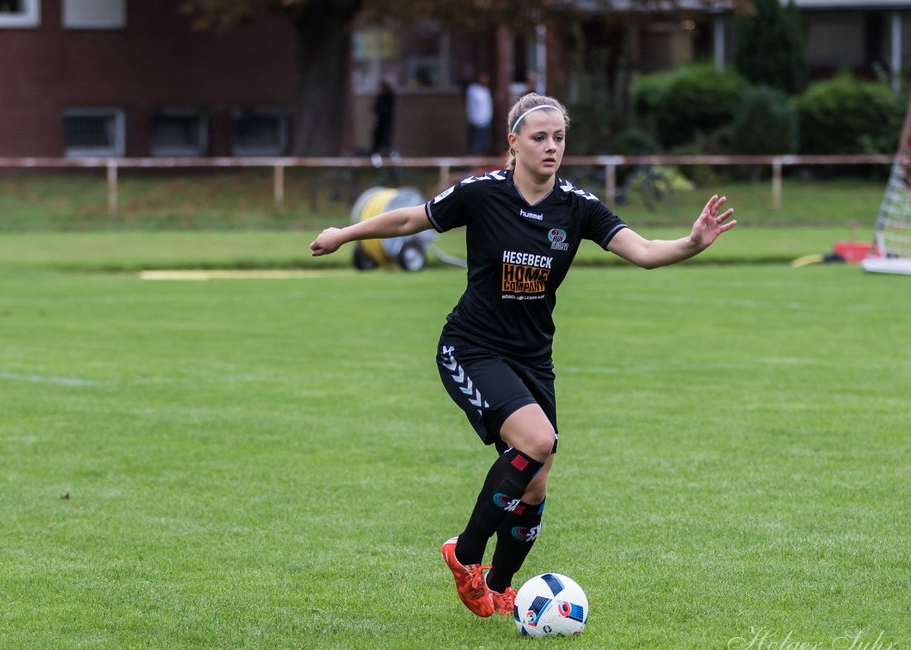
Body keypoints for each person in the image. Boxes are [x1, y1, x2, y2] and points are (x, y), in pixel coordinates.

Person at [309, 93, 736, 619]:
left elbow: (644, 252)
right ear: (513, 143)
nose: (551, 147)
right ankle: (464, 556)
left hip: (533, 358)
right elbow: (407, 222)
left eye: (559, 138)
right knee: (537, 439)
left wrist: (692, 243)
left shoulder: (577, 206)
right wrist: (343, 234)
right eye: (539, 137)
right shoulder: (482, 193)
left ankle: (501, 585)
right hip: (471, 348)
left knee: (536, 480)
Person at [465, 72, 493, 156]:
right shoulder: (473, 90)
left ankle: (480, 164)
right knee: (475, 145)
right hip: (476, 122)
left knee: (483, 144)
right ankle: (472, 164)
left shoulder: (486, 90)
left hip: (486, 121)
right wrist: (473, 119)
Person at [370, 80, 396, 159]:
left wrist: (382, 109)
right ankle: (375, 159)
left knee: (386, 141)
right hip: (380, 123)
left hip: (386, 123)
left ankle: (389, 158)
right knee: (377, 141)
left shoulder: (389, 96)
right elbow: (375, 107)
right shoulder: (380, 96)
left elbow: (386, 109)